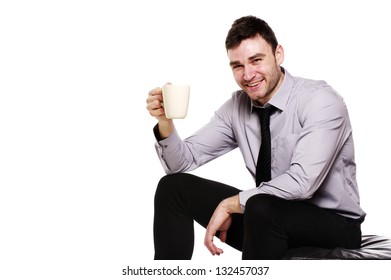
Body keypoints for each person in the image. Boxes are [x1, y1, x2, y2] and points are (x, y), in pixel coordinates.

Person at [146, 15, 366, 260]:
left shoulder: (320, 100)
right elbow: (180, 163)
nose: (248, 75)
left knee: (259, 205)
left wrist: (231, 204)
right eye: (237, 66)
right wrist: (165, 122)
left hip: (334, 225)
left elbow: (303, 182)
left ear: (278, 54)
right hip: (266, 221)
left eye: (256, 60)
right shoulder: (236, 107)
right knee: (173, 188)